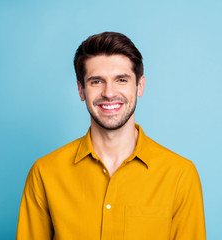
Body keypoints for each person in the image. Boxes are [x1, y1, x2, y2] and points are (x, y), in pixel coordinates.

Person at [16, 32, 206, 240]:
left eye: (121, 80)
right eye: (96, 82)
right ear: (81, 90)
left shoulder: (180, 175)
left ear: (139, 86)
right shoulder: (44, 173)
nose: (109, 92)